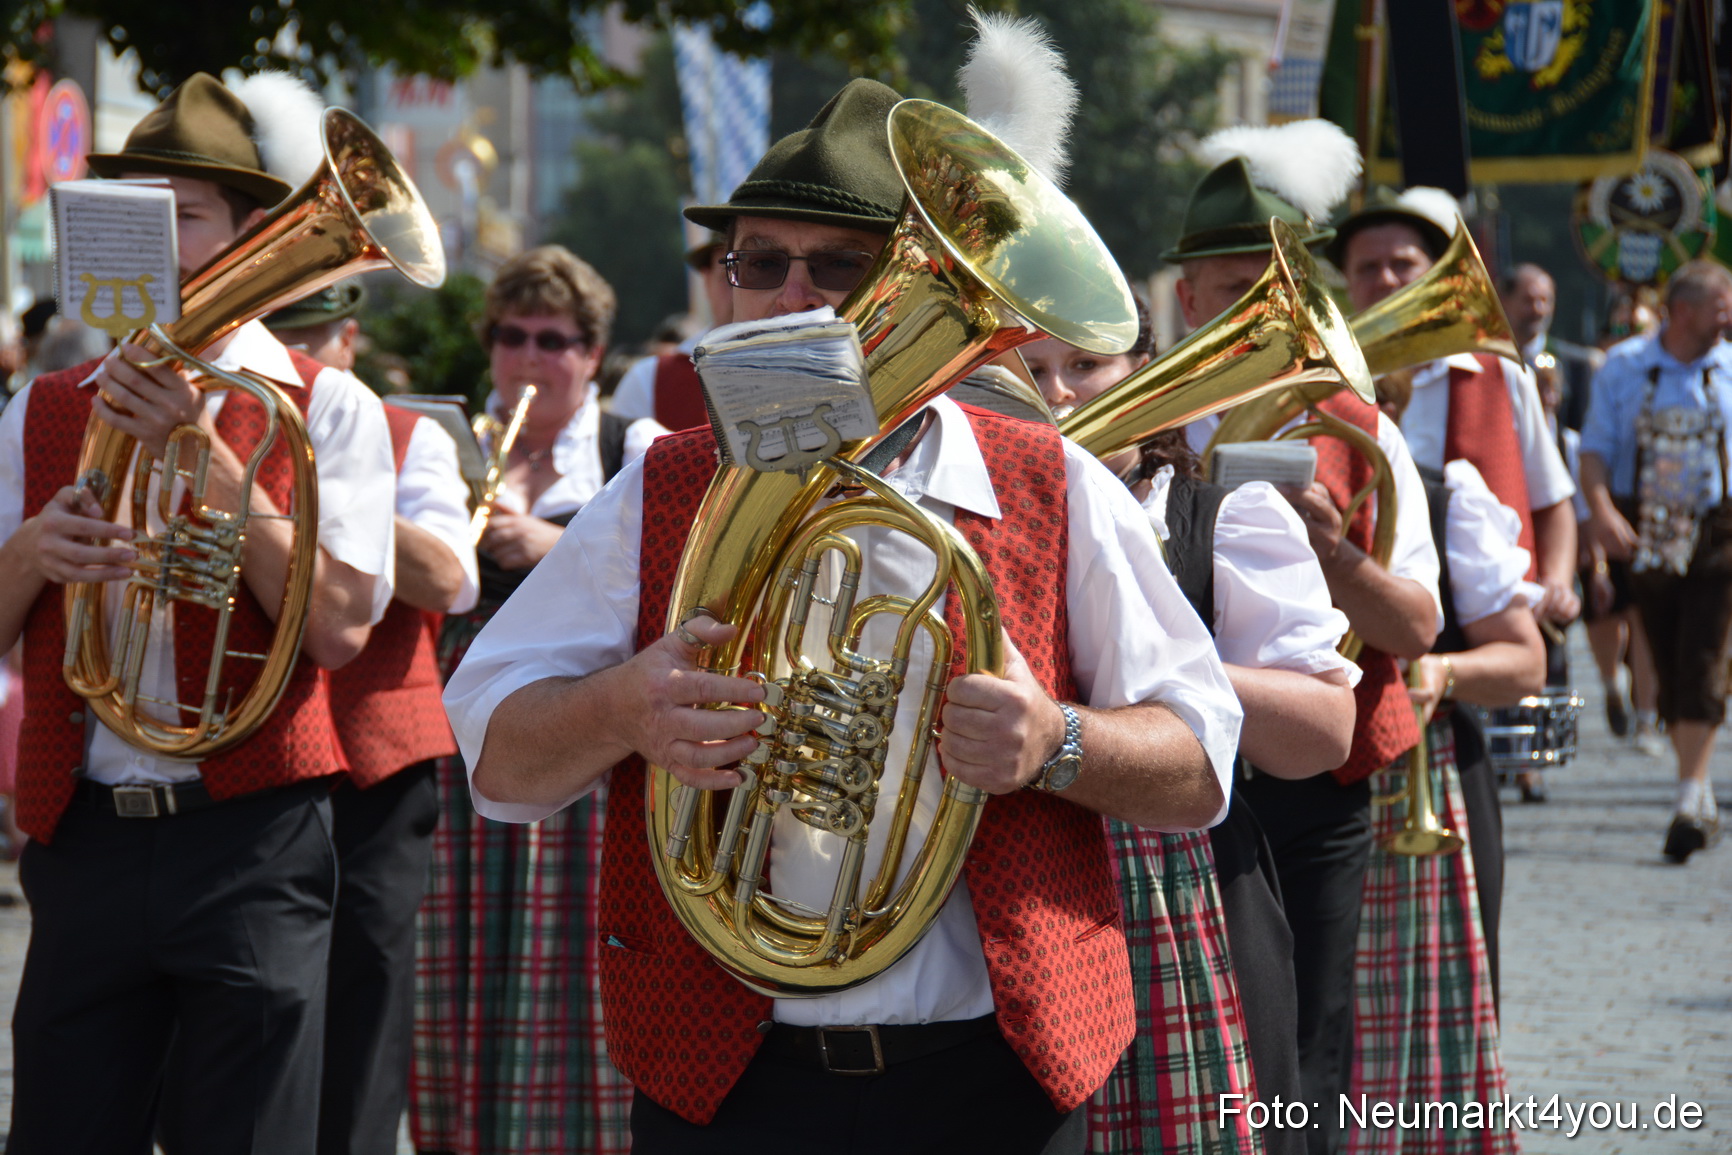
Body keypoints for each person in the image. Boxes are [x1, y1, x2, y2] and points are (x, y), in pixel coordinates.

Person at [443, 78, 1243, 1155]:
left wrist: (1056, 741)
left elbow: (1201, 765)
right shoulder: (656, 487)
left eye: (838, 266)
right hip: (725, 1083)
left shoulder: (1051, 482)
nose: (791, 296)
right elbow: (496, 758)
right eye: (760, 263)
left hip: (991, 1078)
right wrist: (621, 710)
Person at [0, 73, 396, 1153]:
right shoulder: (42, 406)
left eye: (186, 216)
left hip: (252, 839)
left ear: (251, 235)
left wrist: (210, 455)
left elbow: (341, 631)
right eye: (134, 217)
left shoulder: (331, 405)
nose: (159, 243)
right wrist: (34, 554)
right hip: (83, 833)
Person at [1024, 297, 1359, 1155]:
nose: (1061, 396)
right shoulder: (981, 521)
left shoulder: (1225, 516)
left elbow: (1325, 727)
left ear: (1141, 370)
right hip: (1025, 894)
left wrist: (1177, 673)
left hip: (1179, 886)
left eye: (1085, 367)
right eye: (1030, 373)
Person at [1170, 127, 1443, 1155]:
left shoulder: (1355, 417)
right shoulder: (1129, 415)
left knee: (1306, 1048)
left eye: (1265, 287)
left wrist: (1335, 561)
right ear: (1185, 298)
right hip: (1178, 769)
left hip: (1317, 785)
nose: (1241, 311)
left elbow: (1414, 627)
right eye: (1223, 286)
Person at [411, 245, 664, 1155]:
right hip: (455, 743)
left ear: (593, 354)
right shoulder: (451, 446)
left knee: (571, 977)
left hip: (578, 744)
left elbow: (660, 583)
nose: (528, 359)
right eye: (511, 337)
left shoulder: (625, 450)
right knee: (453, 971)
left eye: (553, 340)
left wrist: (551, 544)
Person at [267, 283, 481, 1155]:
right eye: (279, 344)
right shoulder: (226, 426)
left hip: (376, 772)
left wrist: (339, 487)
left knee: (366, 1001)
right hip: (261, 764)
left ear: (348, 341)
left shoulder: (407, 438)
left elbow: (451, 579)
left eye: (311, 342)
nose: (295, 365)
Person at [1578, 259, 1732, 863]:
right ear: (1686, 311)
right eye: (1722, 306)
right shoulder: (1624, 367)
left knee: (1703, 656)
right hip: (1640, 523)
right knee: (1666, 664)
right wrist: (1601, 513)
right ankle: (1698, 792)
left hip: (1717, 531)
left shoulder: (1730, 369)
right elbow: (1594, 450)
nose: (1730, 317)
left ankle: (1687, 797)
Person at [610, 234, 734, 430]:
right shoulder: (647, 381)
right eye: (731, 274)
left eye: (764, 268)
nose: (744, 290)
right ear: (706, 279)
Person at [1500, 262, 1603, 432]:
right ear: (1505, 302)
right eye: (1528, 300)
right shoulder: (1490, 360)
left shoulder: (1577, 366)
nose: (1538, 309)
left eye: (1545, 300)